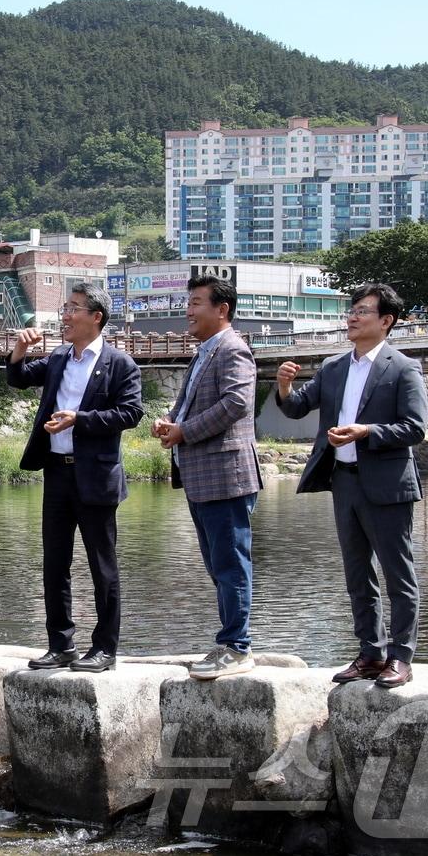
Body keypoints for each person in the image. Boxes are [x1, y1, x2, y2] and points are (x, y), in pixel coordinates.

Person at [275, 283, 428, 689]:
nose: (352, 317)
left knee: (398, 574)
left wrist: (366, 431)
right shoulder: (334, 366)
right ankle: (370, 653)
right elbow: (295, 408)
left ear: (386, 321)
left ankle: (401, 656)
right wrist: (285, 385)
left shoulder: (403, 367)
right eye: (352, 310)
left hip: (388, 485)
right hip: (344, 483)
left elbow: (414, 429)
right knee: (357, 575)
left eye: (362, 311)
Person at [8, 282, 144, 673]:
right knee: (55, 563)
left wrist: (78, 419)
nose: (65, 316)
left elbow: (130, 414)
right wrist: (19, 350)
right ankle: (61, 644)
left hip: (96, 476)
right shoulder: (58, 359)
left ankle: (104, 649)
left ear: (96, 317)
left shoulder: (120, 364)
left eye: (74, 308)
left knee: (103, 566)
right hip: (57, 473)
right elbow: (18, 378)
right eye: (65, 308)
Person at [152, 275, 263, 680]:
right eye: (189, 302)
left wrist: (185, 430)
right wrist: (171, 422)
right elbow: (194, 407)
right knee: (220, 565)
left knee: (231, 565)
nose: (188, 310)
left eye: (196, 302)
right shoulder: (204, 352)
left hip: (226, 474)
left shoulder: (233, 349)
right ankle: (230, 642)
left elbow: (235, 404)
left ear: (222, 310)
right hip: (204, 475)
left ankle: (237, 647)